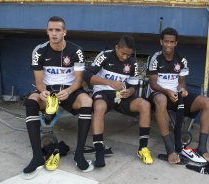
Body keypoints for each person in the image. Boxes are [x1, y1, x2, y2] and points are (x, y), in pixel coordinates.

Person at [23, 16, 93, 176]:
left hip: (70, 91)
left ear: (64, 32)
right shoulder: (39, 51)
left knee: (87, 101)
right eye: (50, 30)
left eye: (58, 30)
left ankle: (79, 155)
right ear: (47, 32)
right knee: (31, 102)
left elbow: (79, 80)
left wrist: (68, 91)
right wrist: (42, 92)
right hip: (48, 93)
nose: (54, 33)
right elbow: (39, 81)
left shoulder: (77, 51)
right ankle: (37, 157)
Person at [147, 27, 209, 164]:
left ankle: (202, 148)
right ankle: (170, 149)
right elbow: (153, 84)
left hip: (176, 96)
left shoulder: (182, 60)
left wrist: (183, 90)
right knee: (161, 100)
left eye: (172, 42)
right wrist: (167, 92)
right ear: (161, 42)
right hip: (159, 94)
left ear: (176, 43)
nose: (168, 45)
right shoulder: (155, 58)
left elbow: (182, 83)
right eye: (166, 41)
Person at [84, 35, 153, 167]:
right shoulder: (105, 55)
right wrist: (109, 82)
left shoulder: (133, 62)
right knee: (99, 107)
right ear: (116, 47)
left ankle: (143, 148)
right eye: (123, 53)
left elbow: (134, 85)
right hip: (103, 92)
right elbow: (87, 75)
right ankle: (99, 150)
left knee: (145, 105)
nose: (125, 57)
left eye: (129, 54)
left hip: (122, 96)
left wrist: (130, 91)